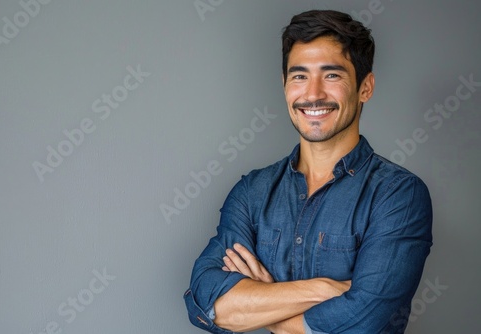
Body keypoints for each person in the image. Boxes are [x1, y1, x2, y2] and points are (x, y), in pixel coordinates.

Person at [184, 9, 433, 334]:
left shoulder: (398, 194)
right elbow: (207, 303)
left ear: (365, 87)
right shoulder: (252, 192)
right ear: (285, 84)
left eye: (332, 75)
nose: (312, 93)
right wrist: (326, 289)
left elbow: (364, 323)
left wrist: (263, 304)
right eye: (299, 75)